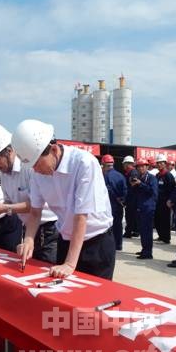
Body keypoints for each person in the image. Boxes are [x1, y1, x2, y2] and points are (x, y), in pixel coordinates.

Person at [12, 119, 115, 280]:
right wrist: (29, 240)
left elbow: (81, 216)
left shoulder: (84, 163)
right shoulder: (38, 173)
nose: (35, 170)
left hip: (95, 243)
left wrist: (70, 264)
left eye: (37, 164)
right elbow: (35, 212)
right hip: (65, 240)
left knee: (94, 295)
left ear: (53, 149)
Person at [0, 123, 58, 263]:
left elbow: (35, 205)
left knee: (46, 269)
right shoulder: (3, 173)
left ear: (9, 151)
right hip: (29, 228)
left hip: (48, 228)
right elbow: (9, 201)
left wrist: (4, 208)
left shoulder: (29, 166)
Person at [131, 159, 158, 259]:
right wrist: (134, 185)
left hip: (148, 208)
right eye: (139, 167)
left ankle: (148, 252)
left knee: (147, 230)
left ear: (147, 167)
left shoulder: (152, 178)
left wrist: (140, 184)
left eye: (143, 166)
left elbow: (153, 191)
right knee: (142, 230)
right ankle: (144, 249)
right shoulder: (139, 177)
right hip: (140, 207)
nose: (141, 168)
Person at [102, 154, 127, 251]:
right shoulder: (120, 175)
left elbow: (105, 191)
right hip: (119, 205)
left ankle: (110, 246)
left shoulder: (105, 176)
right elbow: (125, 191)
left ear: (104, 164)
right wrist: (122, 200)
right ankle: (118, 245)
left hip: (109, 205)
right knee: (118, 225)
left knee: (109, 226)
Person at [154, 154, 175, 244]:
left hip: (165, 202)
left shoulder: (168, 175)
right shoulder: (157, 175)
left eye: (161, 163)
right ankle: (161, 236)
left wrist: (170, 200)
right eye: (158, 163)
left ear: (165, 164)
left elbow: (172, 189)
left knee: (165, 220)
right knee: (157, 220)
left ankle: (166, 238)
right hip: (157, 201)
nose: (159, 164)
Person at [122, 155, 139, 238]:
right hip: (131, 197)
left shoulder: (133, 173)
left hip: (132, 197)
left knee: (130, 216)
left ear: (128, 164)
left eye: (124, 164)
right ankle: (135, 231)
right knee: (133, 216)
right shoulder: (129, 173)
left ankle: (128, 232)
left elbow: (133, 184)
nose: (123, 166)